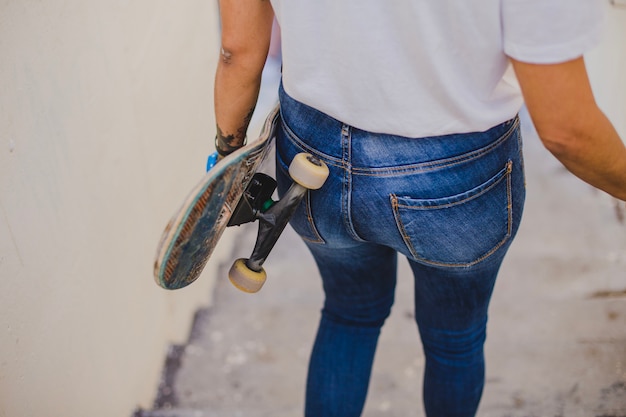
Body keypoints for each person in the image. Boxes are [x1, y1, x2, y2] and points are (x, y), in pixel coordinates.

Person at [213, 1, 626, 416]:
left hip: (311, 161)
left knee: (348, 313)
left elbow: (239, 50)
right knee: (454, 340)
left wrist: (228, 158)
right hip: (456, 173)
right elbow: (566, 130)